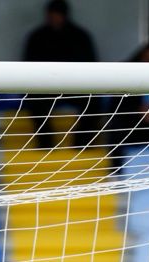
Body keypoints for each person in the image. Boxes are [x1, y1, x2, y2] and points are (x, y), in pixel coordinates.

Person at [21, 0, 98, 150]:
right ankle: (46, 146)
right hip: (45, 86)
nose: (55, 18)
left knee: (93, 102)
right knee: (35, 100)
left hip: (76, 86)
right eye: (52, 15)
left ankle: (81, 145)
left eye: (58, 14)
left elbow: (91, 65)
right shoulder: (37, 37)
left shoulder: (80, 36)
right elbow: (28, 66)